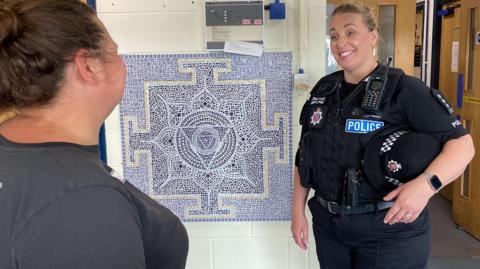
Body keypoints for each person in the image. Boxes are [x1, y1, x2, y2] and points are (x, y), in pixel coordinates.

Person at [0, 0, 189, 268]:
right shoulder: (82, 201)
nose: (122, 62)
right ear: (88, 66)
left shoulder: (20, 154)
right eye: (115, 51)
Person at [291, 3, 474, 269]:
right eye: (333, 35)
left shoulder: (405, 90)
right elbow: (304, 154)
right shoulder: (324, 90)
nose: (341, 41)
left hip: (389, 230)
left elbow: (463, 145)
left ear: (373, 36)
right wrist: (297, 212)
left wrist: (426, 185)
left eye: (350, 32)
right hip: (329, 227)